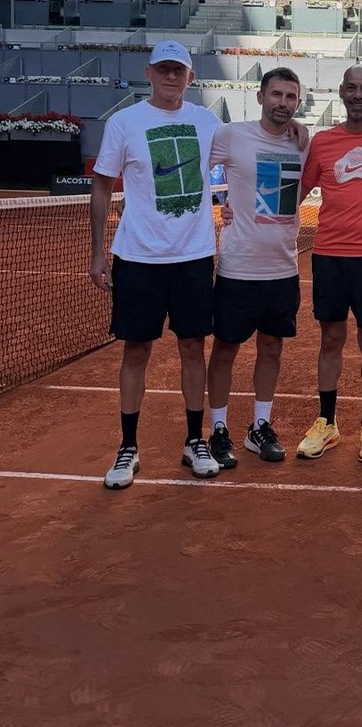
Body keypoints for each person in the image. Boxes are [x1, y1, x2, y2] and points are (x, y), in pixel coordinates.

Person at [90, 40, 222, 489]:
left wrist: (296, 133)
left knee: (192, 348)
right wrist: (97, 252)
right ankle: (128, 447)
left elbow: (249, 146)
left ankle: (193, 440)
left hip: (192, 258)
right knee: (136, 351)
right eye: (163, 69)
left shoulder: (208, 122)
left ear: (190, 76)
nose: (171, 77)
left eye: (179, 70)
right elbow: (103, 188)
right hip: (138, 258)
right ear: (149, 73)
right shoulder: (124, 123)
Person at [296, 64, 362, 464]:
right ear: (341, 92)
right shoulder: (322, 142)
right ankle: (327, 422)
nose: (359, 95)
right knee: (330, 340)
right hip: (329, 254)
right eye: (352, 88)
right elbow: (296, 190)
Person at [205, 68, 309, 468]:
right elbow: (195, 170)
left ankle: (259, 426)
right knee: (225, 349)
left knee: (271, 347)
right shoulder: (231, 136)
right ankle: (217, 428)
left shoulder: (303, 143)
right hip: (237, 267)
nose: (283, 103)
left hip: (282, 269)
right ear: (261, 96)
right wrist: (216, 206)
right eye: (276, 94)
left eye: (291, 97)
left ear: (298, 102)